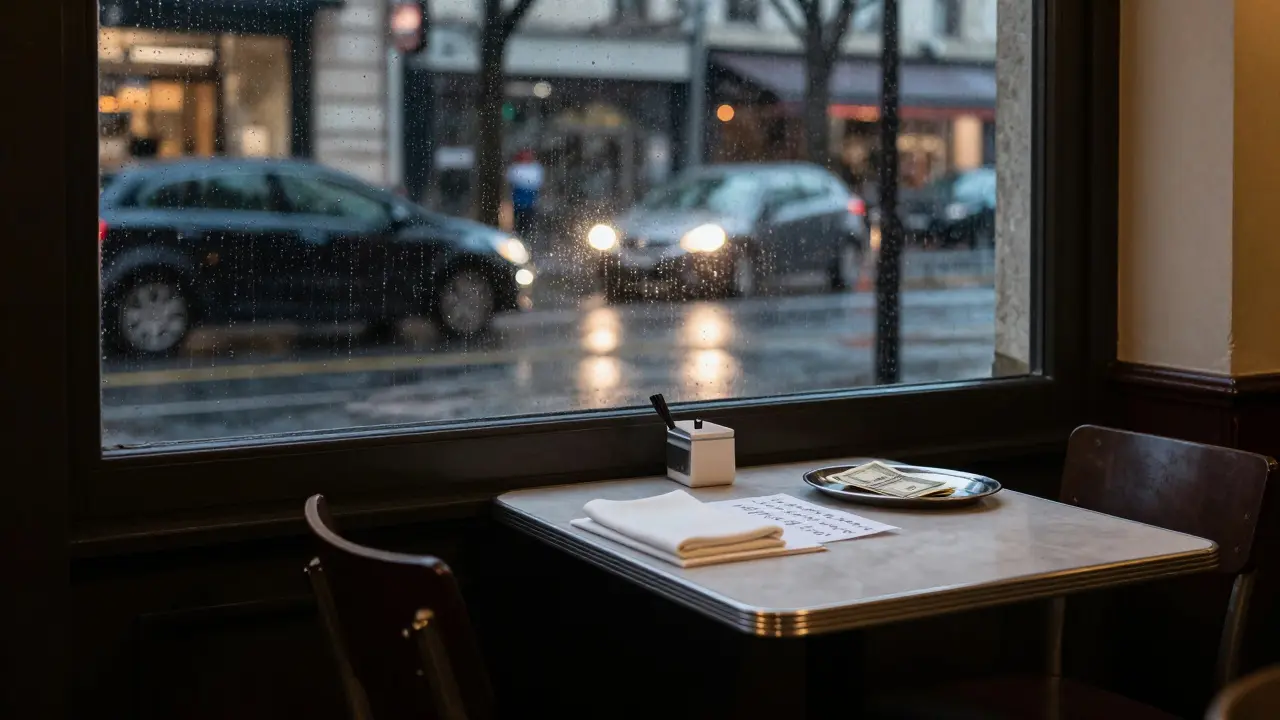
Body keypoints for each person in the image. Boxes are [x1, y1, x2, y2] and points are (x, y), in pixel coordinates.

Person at [506, 148, 544, 239]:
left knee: (527, 224)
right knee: (519, 224)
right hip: (518, 203)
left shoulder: (535, 168)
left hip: (529, 203)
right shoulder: (516, 168)